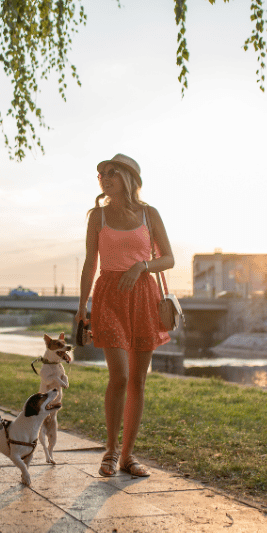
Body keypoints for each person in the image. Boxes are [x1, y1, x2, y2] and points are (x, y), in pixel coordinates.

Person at [74, 153, 174, 478]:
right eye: (100, 172)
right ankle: (110, 451)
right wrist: (81, 307)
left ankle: (128, 457)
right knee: (119, 375)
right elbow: (91, 263)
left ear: (129, 177)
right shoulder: (97, 217)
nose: (104, 176)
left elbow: (169, 258)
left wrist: (141, 265)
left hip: (143, 295)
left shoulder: (149, 214)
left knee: (138, 381)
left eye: (111, 171)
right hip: (109, 298)